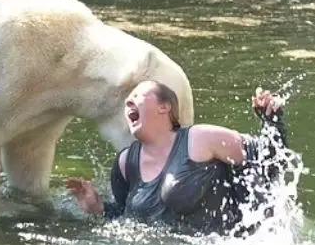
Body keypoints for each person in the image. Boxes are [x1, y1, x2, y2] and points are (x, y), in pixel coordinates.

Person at [66, 80, 298, 236]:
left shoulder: (200, 139)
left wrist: (272, 120)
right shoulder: (126, 163)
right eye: (127, 99)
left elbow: (271, 161)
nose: (129, 102)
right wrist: (99, 209)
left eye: (138, 95)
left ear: (165, 107)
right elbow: (126, 220)